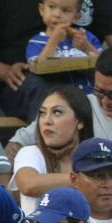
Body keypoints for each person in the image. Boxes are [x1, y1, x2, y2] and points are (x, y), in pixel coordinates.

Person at [6, 47, 112, 207]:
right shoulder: (80, 107)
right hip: (88, 215)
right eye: (99, 91)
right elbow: (17, 145)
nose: (105, 101)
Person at [0, 0, 112, 121]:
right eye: (52, 7)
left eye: (66, 10)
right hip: (26, 79)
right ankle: (54, 156)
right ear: (42, 9)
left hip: (88, 76)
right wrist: (5, 72)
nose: (58, 14)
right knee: (48, 94)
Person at [13, 86, 95, 215]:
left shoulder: (100, 156)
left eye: (57, 112)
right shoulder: (30, 153)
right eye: (42, 113)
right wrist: (91, 181)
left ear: (80, 121)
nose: (47, 121)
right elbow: (29, 185)